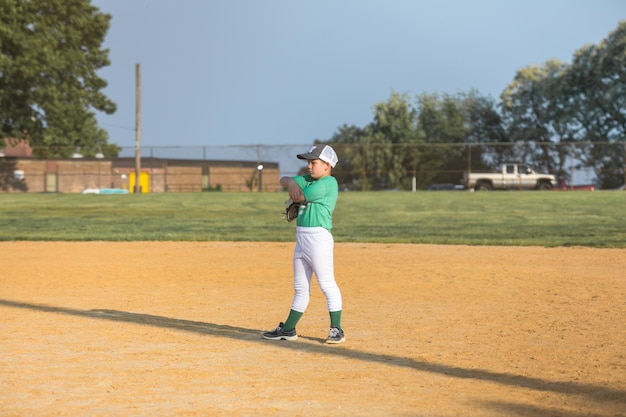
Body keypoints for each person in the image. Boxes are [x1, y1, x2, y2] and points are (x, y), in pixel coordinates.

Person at [262, 144, 345, 344]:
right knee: (300, 287)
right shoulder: (309, 180)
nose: (309, 166)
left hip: (318, 238)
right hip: (302, 238)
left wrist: (293, 186)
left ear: (327, 165)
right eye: (308, 162)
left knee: (326, 283)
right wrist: (291, 182)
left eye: (313, 162)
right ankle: (288, 329)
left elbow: (298, 196)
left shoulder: (328, 183)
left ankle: (337, 329)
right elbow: (284, 180)